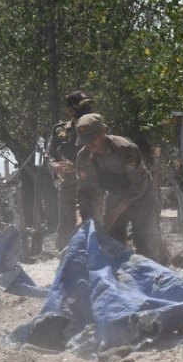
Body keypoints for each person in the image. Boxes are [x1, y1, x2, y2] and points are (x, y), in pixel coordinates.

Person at [74, 113, 170, 265]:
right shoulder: (84, 157)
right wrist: (87, 220)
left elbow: (139, 185)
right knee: (112, 238)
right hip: (116, 194)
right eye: (85, 140)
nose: (89, 144)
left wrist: (116, 212)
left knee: (144, 240)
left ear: (104, 131)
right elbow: (87, 192)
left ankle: (158, 272)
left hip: (142, 196)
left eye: (93, 138)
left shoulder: (125, 149)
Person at [45, 90, 95, 250]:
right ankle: (65, 256)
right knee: (66, 222)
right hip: (67, 184)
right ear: (70, 110)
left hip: (91, 183)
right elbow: (49, 155)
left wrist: (78, 167)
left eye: (88, 105)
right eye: (82, 106)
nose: (86, 109)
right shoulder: (59, 130)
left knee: (92, 220)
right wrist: (55, 166)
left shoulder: (96, 127)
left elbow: (101, 154)